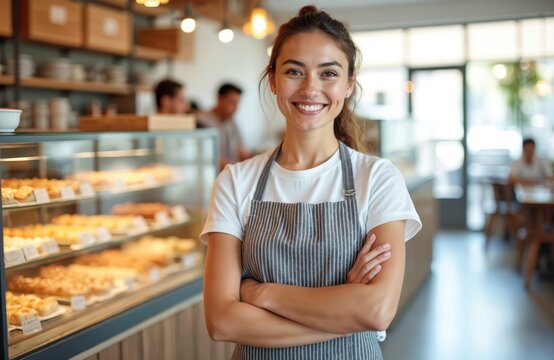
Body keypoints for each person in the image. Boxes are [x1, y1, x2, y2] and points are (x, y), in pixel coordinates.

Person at [202, 6, 421, 359]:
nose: (310, 88)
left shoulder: (378, 178)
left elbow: (377, 310)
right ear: (272, 79)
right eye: (294, 71)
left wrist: (261, 294)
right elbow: (223, 322)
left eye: (328, 73)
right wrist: (344, 308)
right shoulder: (235, 182)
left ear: (349, 84)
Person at [197, 83, 251, 169]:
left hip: (232, 173)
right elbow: (213, 159)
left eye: (237, 103)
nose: (236, 108)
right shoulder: (201, 122)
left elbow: (242, 151)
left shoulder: (232, 122)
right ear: (219, 99)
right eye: (232, 103)